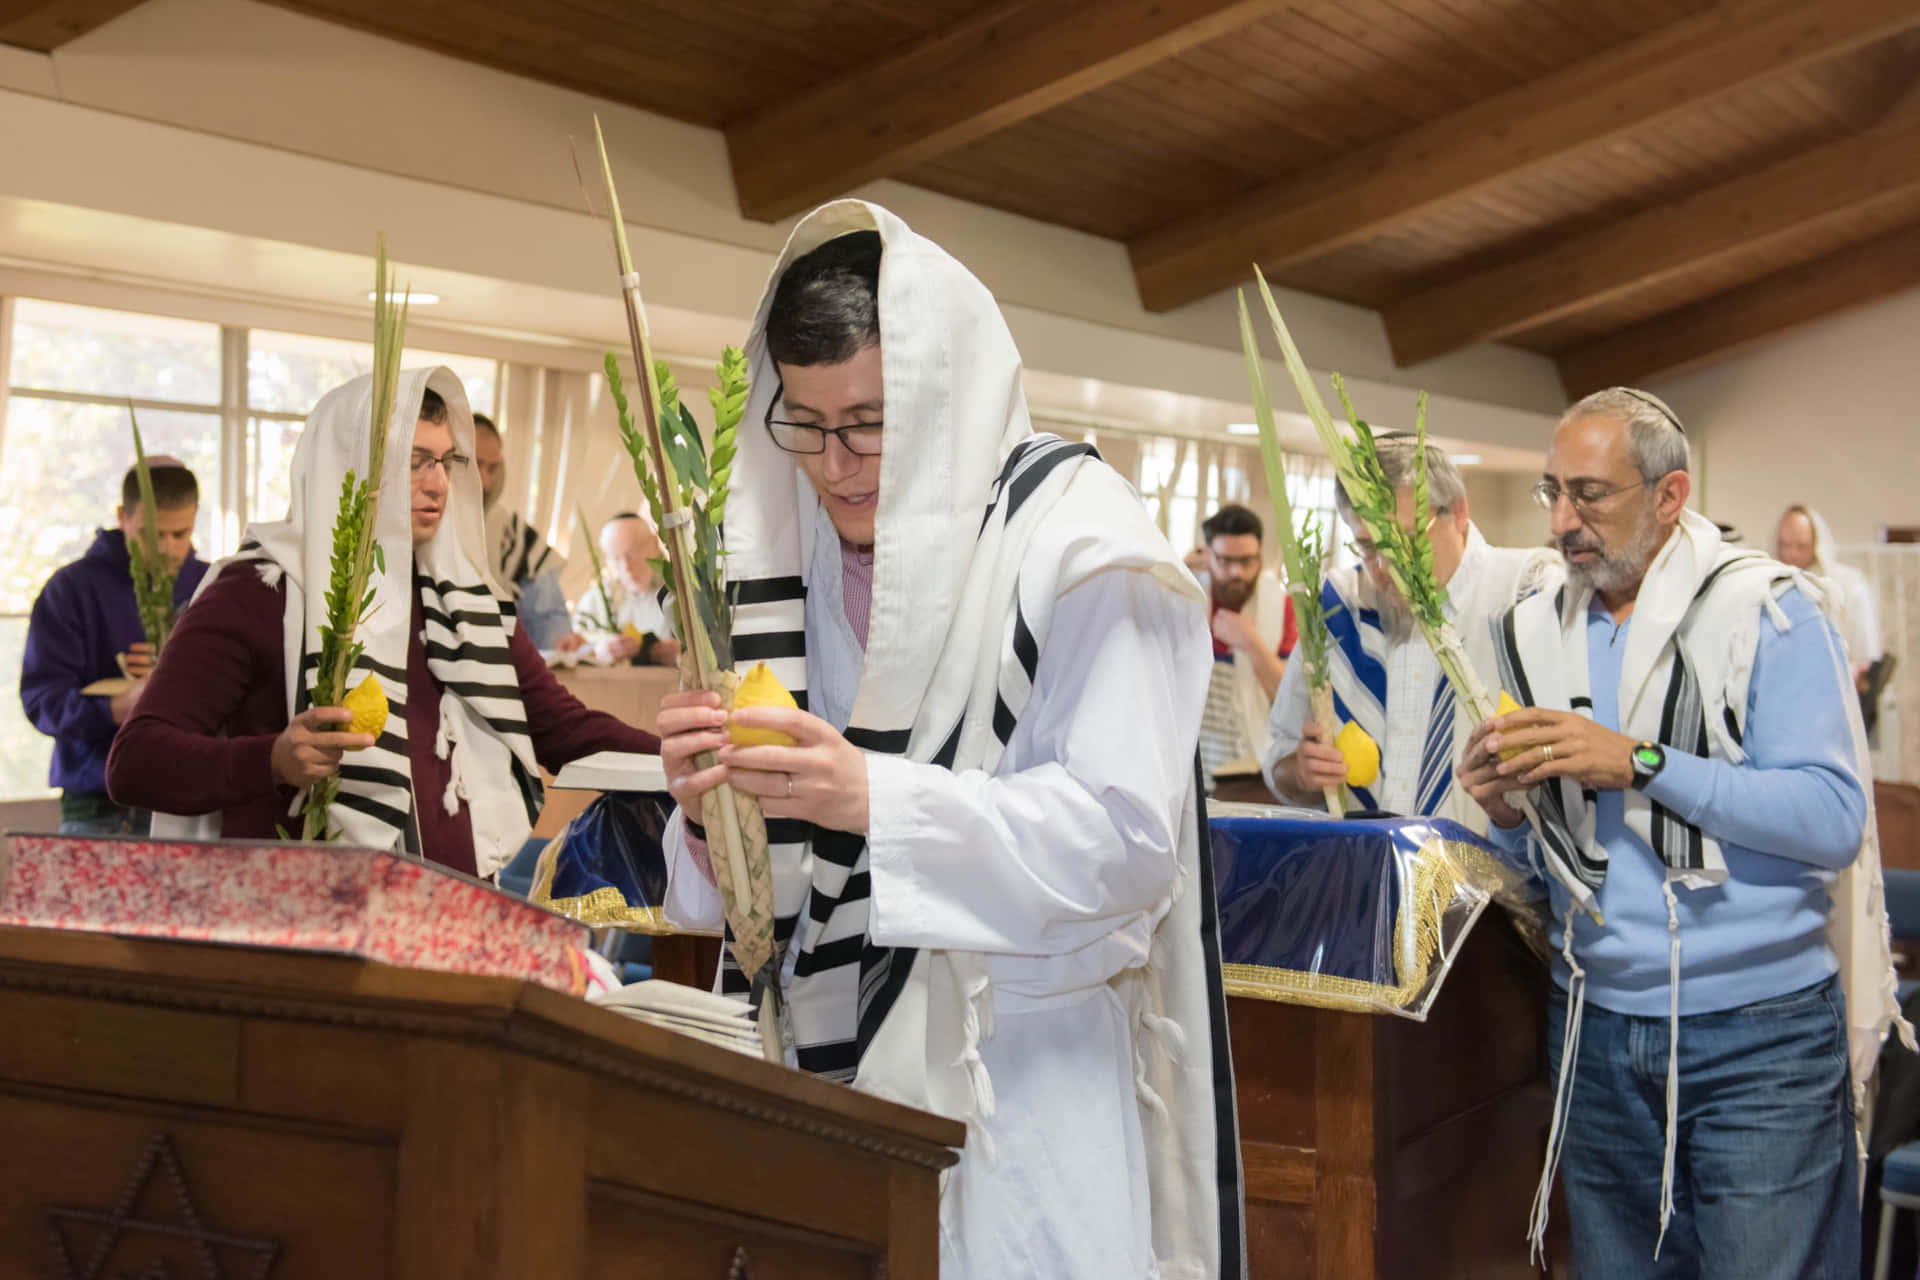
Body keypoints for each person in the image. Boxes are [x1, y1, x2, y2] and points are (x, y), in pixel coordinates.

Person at [653, 206, 1243, 1279]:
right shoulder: (797, 556)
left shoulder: (1082, 545)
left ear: (946, 396)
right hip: (824, 1091)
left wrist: (873, 796)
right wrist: (713, 815)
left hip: (1016, 1086)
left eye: (871, 421)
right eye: (809, 421)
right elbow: (758, 889)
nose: (836, 465)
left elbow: (1124, 843)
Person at [1455, 387, 1902, 1276]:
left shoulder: (1767, 611)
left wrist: (1643, 763)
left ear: (1670, 497)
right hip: (1596, 1028)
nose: (1563, 521)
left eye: (1590, 493)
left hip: (1757, 1035)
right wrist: (1507, 814)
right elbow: (1556, 865)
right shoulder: (1536, 631)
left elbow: (1831, 816)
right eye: (1553, 492)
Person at [106, 372, 657, 879]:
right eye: (415, 461)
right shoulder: (264, 589)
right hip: (304, 922)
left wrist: (691, 758)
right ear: (354, 466)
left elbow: (564, 730)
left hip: (459, 921)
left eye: (446, 461)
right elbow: (137, 761)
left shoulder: (468, 602)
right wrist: (272, 758)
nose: (438, 483)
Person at [1262, 438, 1558, 833]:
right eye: (1368, 546)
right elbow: (1279, 761)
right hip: (1363, 876)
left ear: (1459, 512)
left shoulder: (1529, 592)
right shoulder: (1337, 608)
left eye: (1404, 539)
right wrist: (1301, 774)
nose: (1385, 566)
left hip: (1501, 884)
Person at [21, 458, 208, 835]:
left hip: (188, 797)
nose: (167, 549)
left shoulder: (211, 586)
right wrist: (117, 706)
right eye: (151, 533)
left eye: (180, 534)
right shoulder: (70, 589)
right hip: (97, 803)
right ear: (123, 516)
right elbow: (42, 701)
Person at [1193, 503, 1296, 787]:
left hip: (1255, 775)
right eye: (1225, 561)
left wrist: (1252, 644)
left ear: (1261, 556)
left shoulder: (1283, 606)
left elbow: (1290, 702)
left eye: (1247, 561)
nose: (1237, 572)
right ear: (1208, 556)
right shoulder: (1188, 599)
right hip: (1193, 771)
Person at [472, 412, 580, 653]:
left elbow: (549, 623)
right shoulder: (422, 523)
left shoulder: (518, 538)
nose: (485, 481)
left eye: (492, 469)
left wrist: (562, 642)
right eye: (476, 464)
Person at [1777, 503, 1883, 689]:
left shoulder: (1848, 585)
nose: (1792, 554)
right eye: (1785, 545)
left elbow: (1863, 655)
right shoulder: (1772, 586)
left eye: (1801, 546)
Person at [573, 512, 680, 668]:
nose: (627, 567)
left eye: (633, 554)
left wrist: (676, 650)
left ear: (654, 546)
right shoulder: (594, 602)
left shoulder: (681, 594)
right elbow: (572, 651)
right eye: (616, 559)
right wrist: (597, 650)